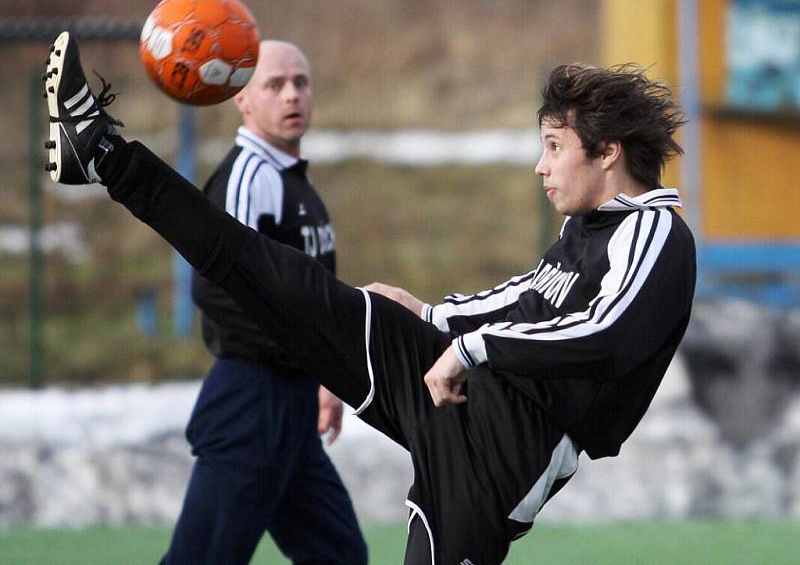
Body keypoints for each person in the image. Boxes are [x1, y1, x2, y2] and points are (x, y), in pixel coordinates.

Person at [43, 31, 696, 565]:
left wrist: (467, 346)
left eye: (554, 148)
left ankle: (102, 155)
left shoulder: (655, 231)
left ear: (607, 152)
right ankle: (103, 154)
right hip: (459, 390)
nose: (540, 166)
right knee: (271, 274)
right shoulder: (585, 226)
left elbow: (603, 335)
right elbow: (528, 296)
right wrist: (429, 314)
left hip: (506, 450)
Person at [155, 40, 366, 565]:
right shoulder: (251, 176)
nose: (292, 94)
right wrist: (307, 355)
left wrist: (326, 374)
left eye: (301, 82)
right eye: (274, 84)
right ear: (241, 99)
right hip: (250, 404)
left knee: (342, 557)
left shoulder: (294, 179)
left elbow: (310, 299)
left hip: (291, 408)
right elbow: (217, 288)